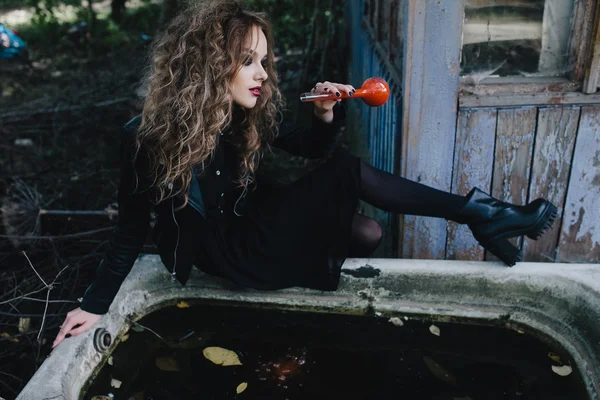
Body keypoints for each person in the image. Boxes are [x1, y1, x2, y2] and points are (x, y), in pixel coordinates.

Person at [52, 0, 557, 348]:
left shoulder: (240, 111)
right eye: (247, 61)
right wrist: (94, 306)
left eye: (263, 61)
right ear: (209, 65)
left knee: (367, 232)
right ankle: (480, 214)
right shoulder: (149, 136)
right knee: (347, 174)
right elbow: (130, 228)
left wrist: (322, 116)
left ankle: (481, 216)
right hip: (230, 248)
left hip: (258, 214)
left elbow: (311, 148)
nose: (262, 74)